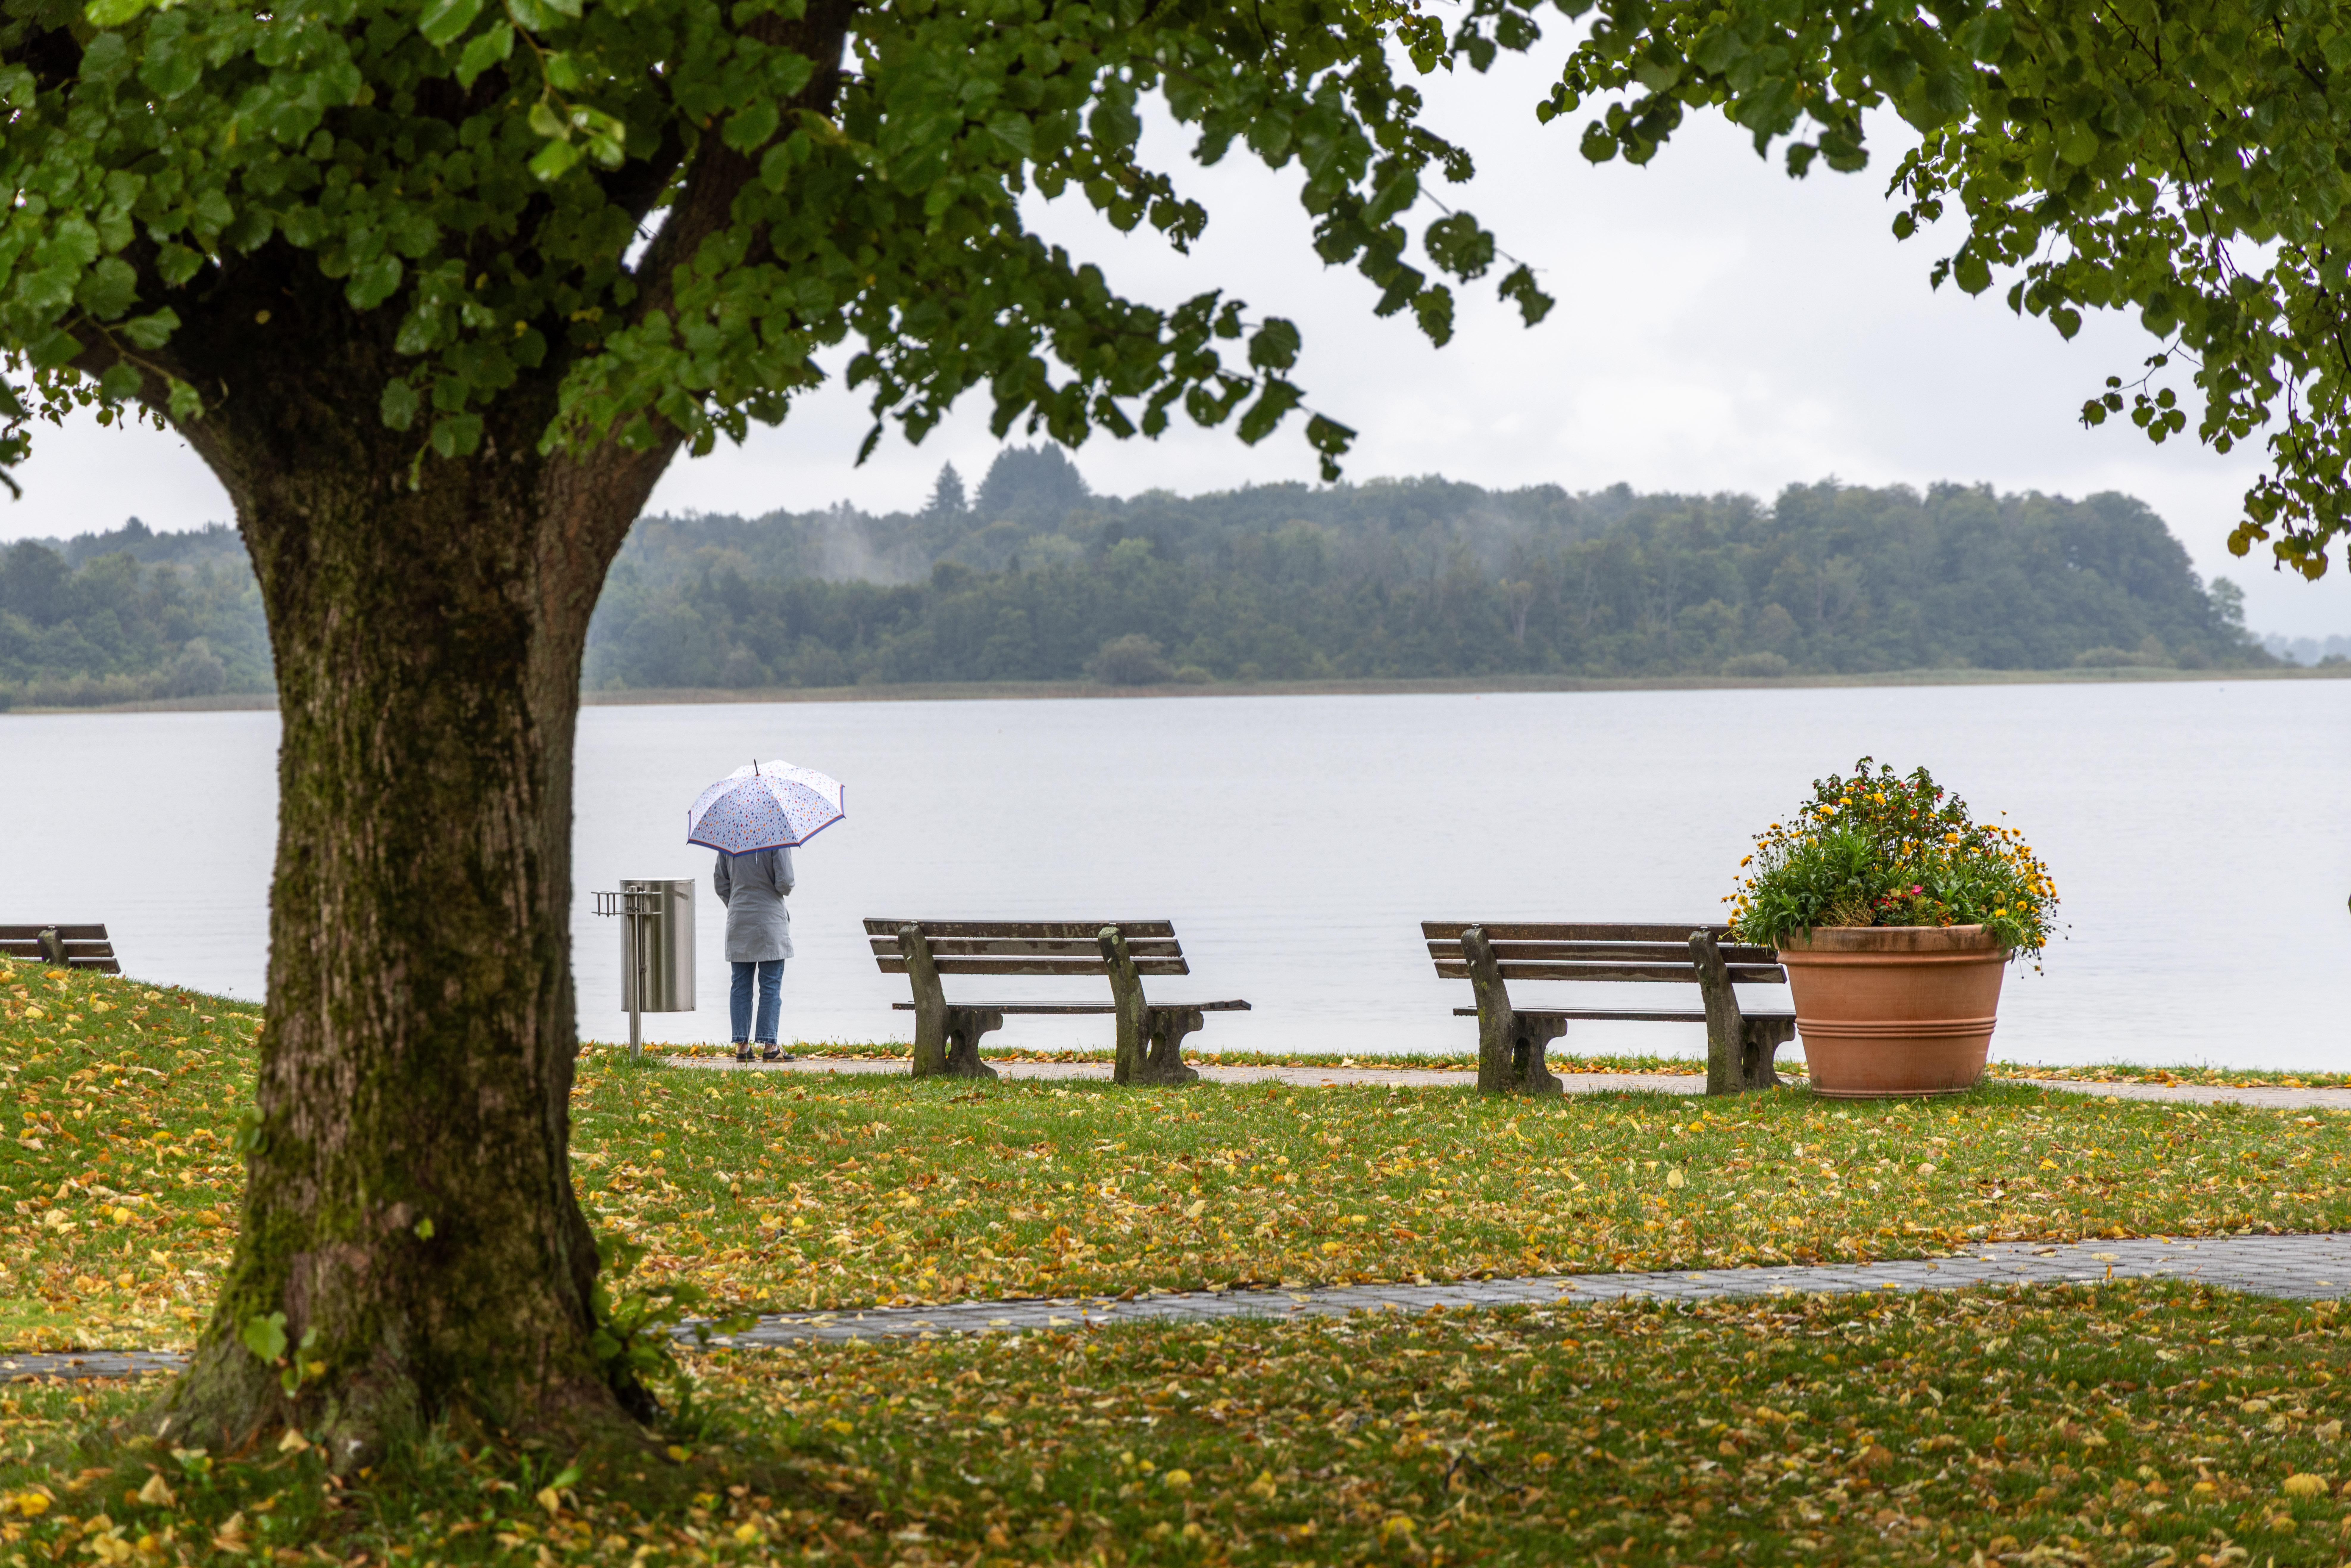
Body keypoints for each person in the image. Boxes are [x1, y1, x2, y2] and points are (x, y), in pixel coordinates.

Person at [713, 845, 795, 1063]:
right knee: (770, 985)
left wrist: (738, 903)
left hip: (738, 920)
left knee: (740, 985)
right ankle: (770, 1046)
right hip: (770, 921)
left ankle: (742, 1046)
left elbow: (721, 883)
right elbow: (785, 883)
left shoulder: (729, 839)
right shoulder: (777, 838)